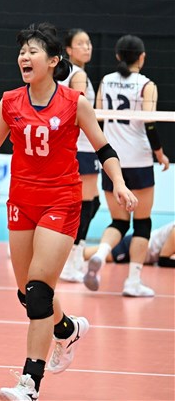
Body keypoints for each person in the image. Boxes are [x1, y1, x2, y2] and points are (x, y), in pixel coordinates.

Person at [0, 23, 137, 401]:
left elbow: (104, 148)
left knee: (38, 290)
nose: (24, 57)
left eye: (33, 52)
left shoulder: (74, 102)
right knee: (25, 293)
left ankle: (29, 383)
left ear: (53, 61)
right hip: (20, 201)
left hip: (61, 200)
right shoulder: (10, 101)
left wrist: (120, 183)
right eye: (22, 52)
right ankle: (66, 329)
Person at [84, 35, 170, 297]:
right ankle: (132, 282)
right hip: (140, 160)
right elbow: (150, 124)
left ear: (118, 56)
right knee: (142, 222)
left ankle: (100, 252)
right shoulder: (147, 85)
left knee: (118, 221)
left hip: (112, 161)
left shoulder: (105, 81)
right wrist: (160, 153)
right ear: (142, 57)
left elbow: (96, 118)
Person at [59, 29, 100, 282]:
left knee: (89, 203)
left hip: (79, 146)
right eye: (80, 44)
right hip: (81, 146)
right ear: (69, 50)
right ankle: (71, 258)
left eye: (88, 43)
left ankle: (71, 252)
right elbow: (78, 111)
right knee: (85, 204)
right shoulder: (79, 75)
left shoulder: (64, 73)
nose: (87, 47)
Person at [83, 222, 175, 267]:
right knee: (89, 255)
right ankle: (72, 255)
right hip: (133, 246)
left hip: (140, 250)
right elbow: (163, 260)